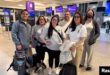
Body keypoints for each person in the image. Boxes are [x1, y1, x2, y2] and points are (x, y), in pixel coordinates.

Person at [11, 9, 32, 75]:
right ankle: (20, 73)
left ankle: (24, 72)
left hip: (27, 46)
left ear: (28, 15)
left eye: (26, 14)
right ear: (21, 15)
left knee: (25, 60)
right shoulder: (17, 23)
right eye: (23, 14)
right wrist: (17, 43)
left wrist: (30, 43)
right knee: (20, 62)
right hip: (20, 47)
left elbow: (30, 35)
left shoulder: (29, 25)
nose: (25, 15)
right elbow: (13, 33)